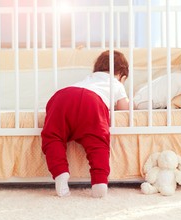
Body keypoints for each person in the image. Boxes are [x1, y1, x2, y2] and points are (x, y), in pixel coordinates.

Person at [41, 50, 129, 198]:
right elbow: (124, 109)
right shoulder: (116, 84)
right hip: (92, 102)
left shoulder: (90, 78)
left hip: (62, 97)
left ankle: (60, 173)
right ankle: (99, 182)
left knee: (53, 136)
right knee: (97, 142)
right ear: (122, 76)